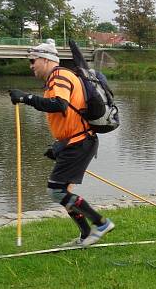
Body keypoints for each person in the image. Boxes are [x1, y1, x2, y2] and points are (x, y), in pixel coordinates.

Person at [8, 40, 114, 247]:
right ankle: (85, 235)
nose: (30, 65)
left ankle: (101, 223)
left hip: (80, 141)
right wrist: (59, 146)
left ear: (46, 59)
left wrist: (26, 98)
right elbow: (68, 115)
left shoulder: (59, 76)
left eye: (33, 60)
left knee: (56, 190)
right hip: (74, 141)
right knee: (63, 191)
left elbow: (59, 105)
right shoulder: (58, 78)